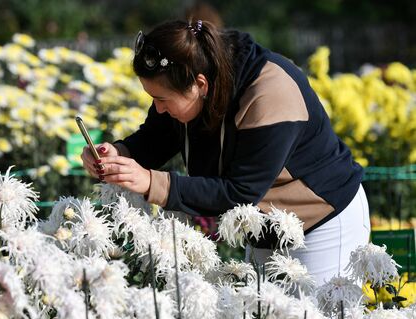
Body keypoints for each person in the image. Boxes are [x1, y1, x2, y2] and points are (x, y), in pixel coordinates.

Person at [80, 19, 370, 286]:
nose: (158, 108)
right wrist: (119, 153)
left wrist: (153, 183)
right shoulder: (189, 77)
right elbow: (157, 136)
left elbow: (240, 192)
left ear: (200, 85)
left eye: (162, 99)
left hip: (323, 222)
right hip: (266, 228)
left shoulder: (270, 93)